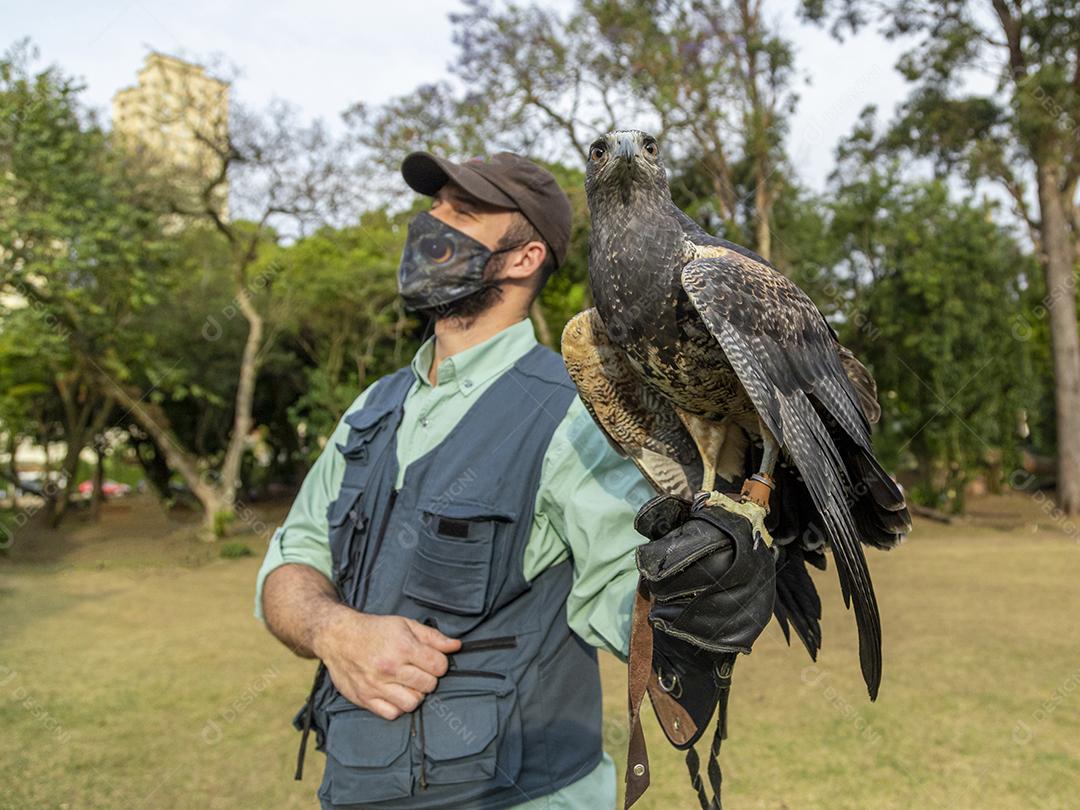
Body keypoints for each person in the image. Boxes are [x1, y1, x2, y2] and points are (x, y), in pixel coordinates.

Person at [254, 149, 773, 810]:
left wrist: (697, 599)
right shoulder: (371, 407)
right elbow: (291, 559)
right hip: (353, 785)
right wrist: (333, 630)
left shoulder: (572, 408)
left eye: (462, 211)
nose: (431, 221)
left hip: (518, 794)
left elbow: (629, 589)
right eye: (434, 204)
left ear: (525, 257)